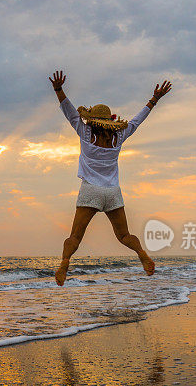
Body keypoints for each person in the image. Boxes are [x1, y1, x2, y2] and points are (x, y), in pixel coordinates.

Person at [49, 70, 171, 285]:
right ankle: (142, 254)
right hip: (113, 192)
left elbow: (69, 112)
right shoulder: (119, 136)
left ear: (92, 119)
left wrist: (58, 89)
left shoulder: (86, 133)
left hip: (90, 191)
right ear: (110, 122)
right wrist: (154, 99)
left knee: (75, 237)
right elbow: (137, 120)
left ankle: (64, 262)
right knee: (124, 236)